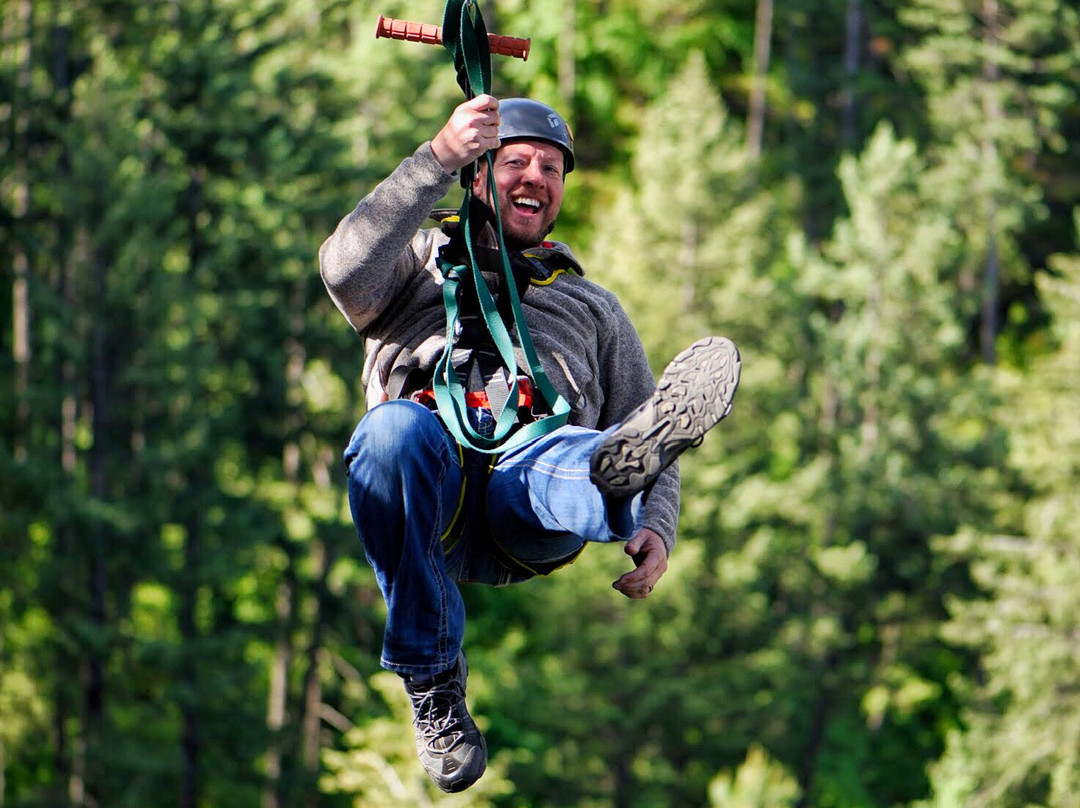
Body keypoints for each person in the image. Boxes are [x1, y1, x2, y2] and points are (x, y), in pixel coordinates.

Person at [319, 94, 741, 793]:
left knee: (576, 457)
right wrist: (435, 158)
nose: (536, 177)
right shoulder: (416, 262)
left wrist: (658, 524)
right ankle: (433, 684)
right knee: (388, 435)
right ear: (478, 175)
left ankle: (609, 483)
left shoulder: (592, 306)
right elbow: (343, 268)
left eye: (552, 168)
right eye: (515, 161)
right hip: (432, 480)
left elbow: (646, 411)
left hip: (531, 486)